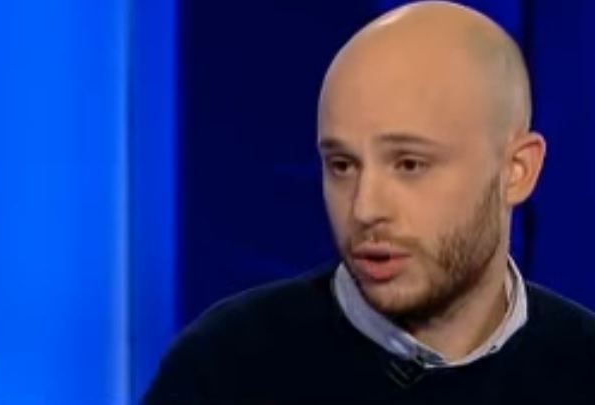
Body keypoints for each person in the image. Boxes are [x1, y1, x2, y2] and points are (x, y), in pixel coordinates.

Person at [141, 1, 595, 404]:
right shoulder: (225, 368)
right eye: (342, 165)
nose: (364, 209)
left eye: (410, 164)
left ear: (517, 171)